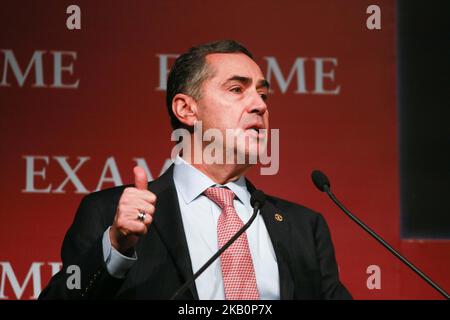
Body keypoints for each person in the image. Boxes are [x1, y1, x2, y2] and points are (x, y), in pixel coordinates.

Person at [39, 40, 351, 300]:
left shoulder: (304, 228)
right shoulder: (107, 214)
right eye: (236, 89)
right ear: (186, 109)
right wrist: (116, 250)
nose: (260, 105)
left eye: (263, 93)